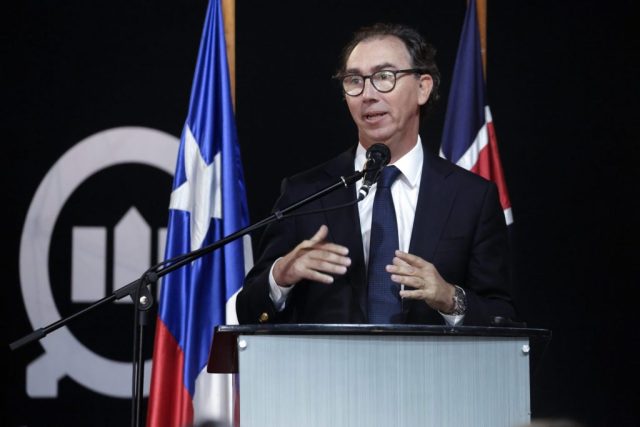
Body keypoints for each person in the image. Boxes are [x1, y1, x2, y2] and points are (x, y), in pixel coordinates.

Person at [236, 22, 515, 326]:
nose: (367, 94)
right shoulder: (306, 193)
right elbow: (248, 310)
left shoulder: (471, 198)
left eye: (384, 76)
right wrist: (280, 276)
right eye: (354, 80)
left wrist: (450, 298)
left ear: (423, 87)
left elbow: (502, 317)